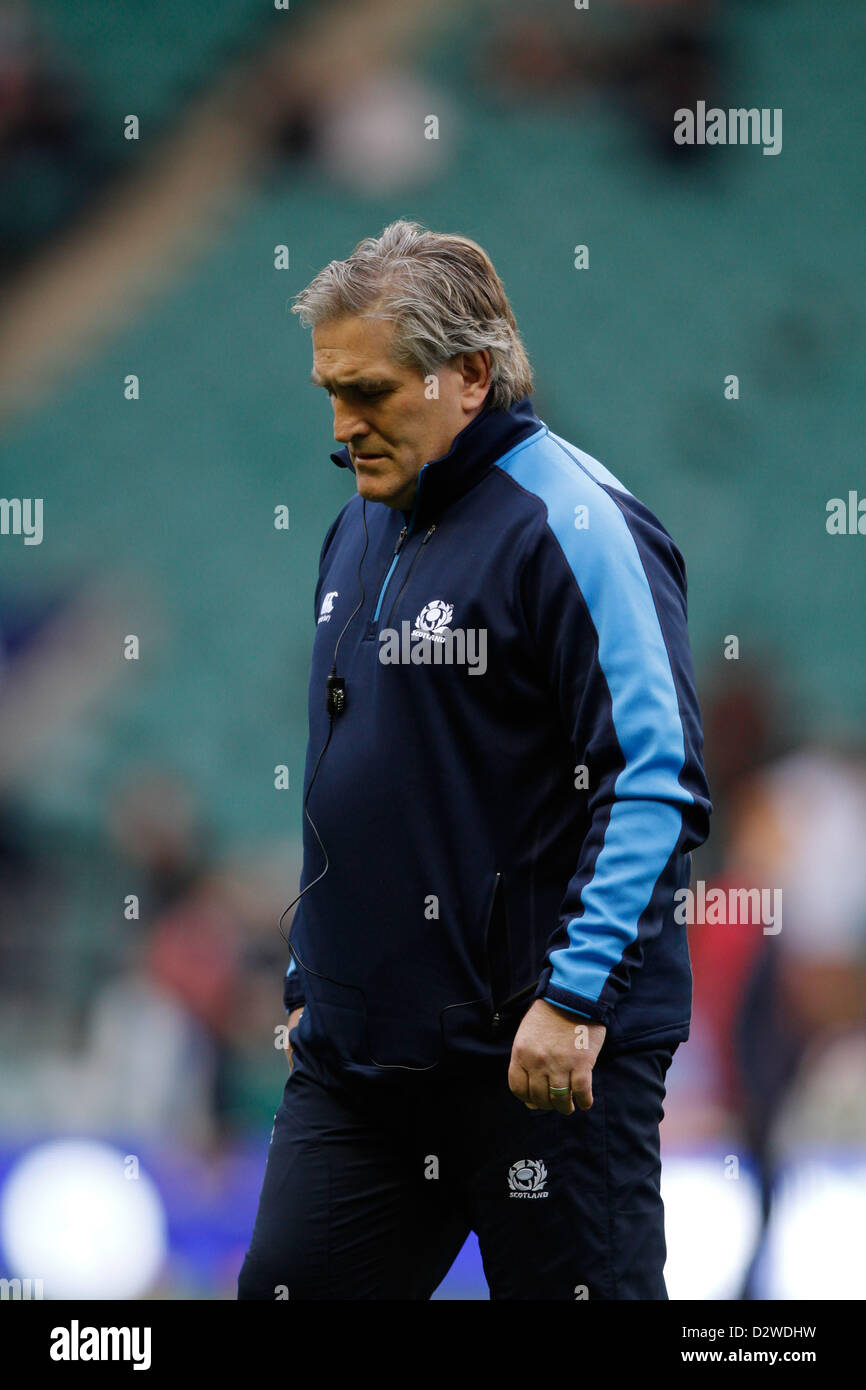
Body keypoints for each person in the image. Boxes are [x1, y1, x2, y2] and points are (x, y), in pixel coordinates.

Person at [237, 219, 711, 1300]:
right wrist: (314, 975)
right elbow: (347, 773)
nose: (340, 425)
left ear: (468, 375)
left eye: (369, 392)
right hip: (361, 1064)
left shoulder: (578, 524)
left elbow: (653, 776)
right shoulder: (358, 525)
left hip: (541, 1065)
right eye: (328, 391)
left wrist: (575, 998)